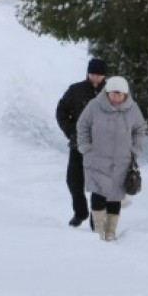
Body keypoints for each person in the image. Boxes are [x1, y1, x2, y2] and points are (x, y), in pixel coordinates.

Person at [76, 75, 145, 241]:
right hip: (97, 159)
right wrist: (86, 148)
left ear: (125, 94)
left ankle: (111, 232)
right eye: (114, 93)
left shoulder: (132, 108)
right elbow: (82, 125)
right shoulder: (94, 106)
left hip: (122, 161)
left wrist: (134, 150)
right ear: (107, 92)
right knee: (98, 194)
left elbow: (140, 129)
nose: (117, 97)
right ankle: (98, 232)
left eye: (121, 94)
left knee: (115, 196)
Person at [55, 58, 107, 228]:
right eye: (92, 74)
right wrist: (72, 132)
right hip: (79, 144)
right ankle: (80, 212)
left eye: (99, 75)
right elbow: (61, 111)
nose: (95, 78)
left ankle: (96, 219)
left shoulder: (112, 92)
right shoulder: (76, 90)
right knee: (74, 181)